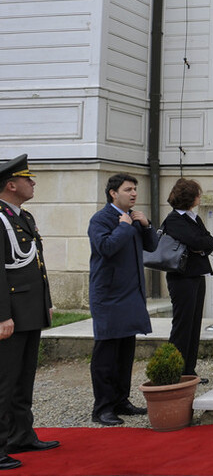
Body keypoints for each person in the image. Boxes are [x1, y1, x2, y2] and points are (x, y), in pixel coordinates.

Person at [0, 156, 59, 470]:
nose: (33, 183)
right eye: (27, 178)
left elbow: (38, 266)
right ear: (11, 184)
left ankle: (21, 434)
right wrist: (1, 315)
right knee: (4, 381)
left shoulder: (24, 216)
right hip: (10, 314)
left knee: (24, 378)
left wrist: (44, 302)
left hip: (29, 311)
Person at [87, 173, 158, 426]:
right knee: (106, 355)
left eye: (135, 189)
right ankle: (102, 408)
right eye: (128, 189)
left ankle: (121, 400)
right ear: (113, 193)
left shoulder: (133, 218)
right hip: (108, 296)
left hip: (130, 294)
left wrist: (146, 225)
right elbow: (105, 248)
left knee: (125, 352)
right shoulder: (101, 219)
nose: (134, 193)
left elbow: (152, 247)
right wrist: (124, 226)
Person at [161, 178, 213, 384]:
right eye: (198, 194)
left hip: (196, 274)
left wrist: (201, 245)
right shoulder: (175, 219)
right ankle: (174, 371)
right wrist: (200, 244)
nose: (200, 197)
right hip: (181, 277)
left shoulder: (193, 218)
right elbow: (196, 241)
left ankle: (189, 370)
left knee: (194, 325)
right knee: (182, 325)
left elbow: (209, 241)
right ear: (190, 197)